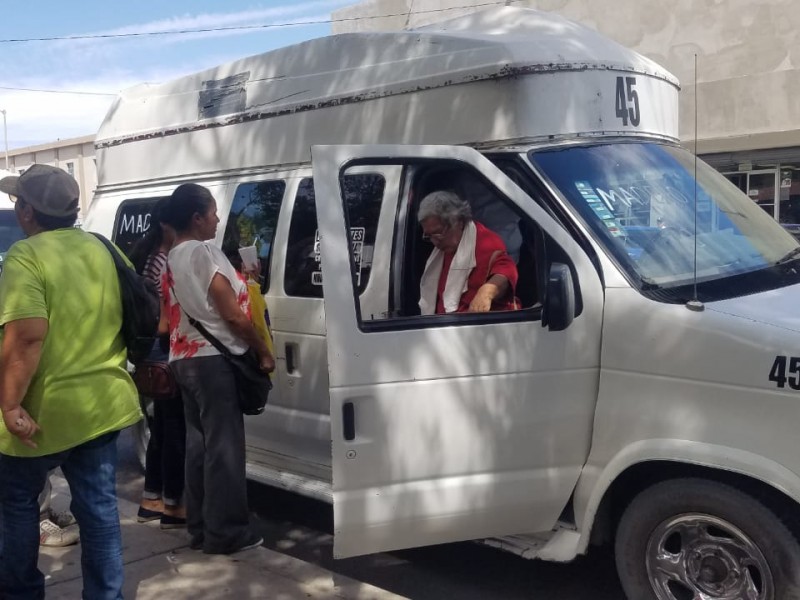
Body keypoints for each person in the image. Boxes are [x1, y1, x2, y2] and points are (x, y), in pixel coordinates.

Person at [0, 164, 141, 599]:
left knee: (17, 507)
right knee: (99, 511)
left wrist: (9, 405)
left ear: (27, 210)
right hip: (102, 404)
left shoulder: (26, 256)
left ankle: (21, 593)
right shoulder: (104, 248)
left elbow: (26, 338)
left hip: (42, 410)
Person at [160, 183, 274, 554]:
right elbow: (232, 315)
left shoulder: (173, 256)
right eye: (212, 212)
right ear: (196, 218)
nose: (217, 219)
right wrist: (262, 349)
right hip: (214, 359)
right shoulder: (204, 252)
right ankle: (227, 532)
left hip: (184, 359)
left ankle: (200, 528)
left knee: (199, 446)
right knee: (225, 448)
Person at [128, 198, 186, 529]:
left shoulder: (150, 257)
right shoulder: (163, 261)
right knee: (173, 428)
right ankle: (173, 505)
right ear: (167, 225)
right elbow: (165, 315)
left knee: (163, 428)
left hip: (151, 352)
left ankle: (152, 499)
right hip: (163, 350)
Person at [418, 190, 519, 315]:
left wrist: (487, 291)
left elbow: (507, 269)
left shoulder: (485, 242)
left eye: (438, 233)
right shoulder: (444, 248)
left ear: (458, 222)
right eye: (429, 236)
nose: (434, 242)